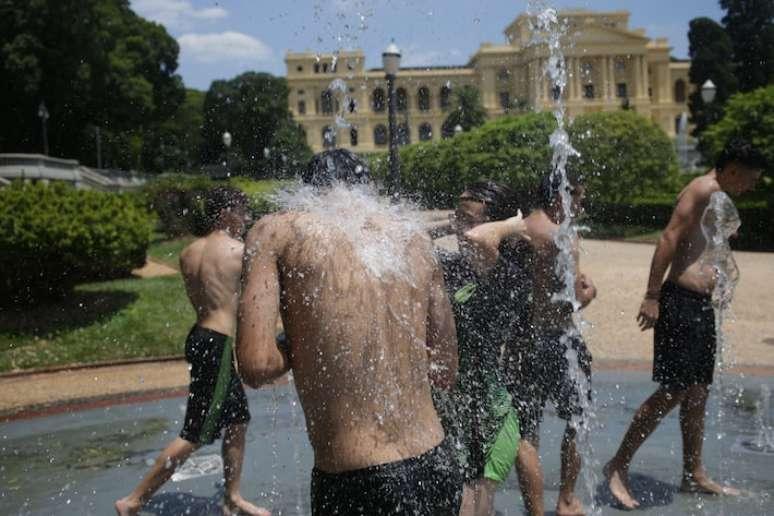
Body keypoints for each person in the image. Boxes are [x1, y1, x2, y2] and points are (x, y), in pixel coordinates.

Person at [236, 149, 462, 515]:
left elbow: (256, 364)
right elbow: (445, 370)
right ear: (366, 188)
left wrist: (306, 340)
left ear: (306, 191)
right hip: (437, 463)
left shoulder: (276, 231)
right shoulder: (413, 235)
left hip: (357, 478)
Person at [604, 140, 765, 510]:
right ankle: (618, 465)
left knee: (697, 394)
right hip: (679, 303)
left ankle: (694, 472)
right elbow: (669, 238)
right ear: (734, 169)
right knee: (673, 391)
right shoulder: (702, 189)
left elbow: (705, 246)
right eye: (751, 179)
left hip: (700, 306)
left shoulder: (718, 195)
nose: (752, 187)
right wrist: (651, 295)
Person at [115, 187, 268, 516]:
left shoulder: (188, 252)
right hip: (218, 344)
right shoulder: (238, 252)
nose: (245, 219)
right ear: (226, 212)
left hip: (199, 336)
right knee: (195, 432)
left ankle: (232, 497)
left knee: (238, 419)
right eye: (241, 212)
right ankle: (134, 500)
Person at [434, 181, 532, 516]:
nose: (461, 229)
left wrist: (510, 226)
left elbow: (479, 239)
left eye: (468, 219)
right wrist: (452, 223)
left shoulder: (510, 276)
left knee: (470, 504)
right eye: (456, 218)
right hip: (451, 410)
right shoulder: (452, 266)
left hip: (487, 417)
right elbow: (405, 245)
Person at [503, 172, 597, 516]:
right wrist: (589, 293)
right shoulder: (563, 237)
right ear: (561, 197)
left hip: (522, 342)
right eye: (579, 199)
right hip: (559, 338)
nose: (581, 206)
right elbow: (571, 300)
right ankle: (566, 500)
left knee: (525, 429)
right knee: (577, 419)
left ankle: (536, 511)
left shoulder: (518, 229)